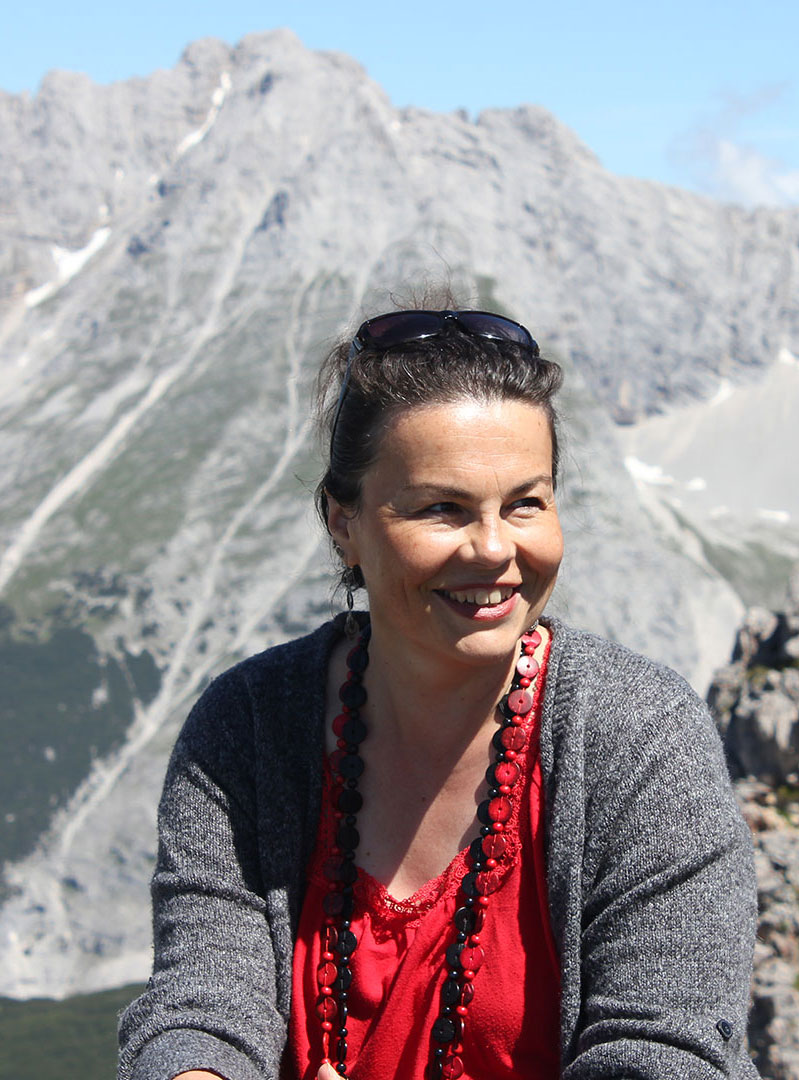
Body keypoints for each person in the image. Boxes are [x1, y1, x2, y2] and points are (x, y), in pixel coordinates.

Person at [118, 307, 761, 1080]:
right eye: (441, 509)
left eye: (526, 502)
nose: (494, 549)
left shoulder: (643, 738)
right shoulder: (248, 724)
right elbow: (201, 1009)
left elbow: (667, 1054)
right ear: (343, 522)